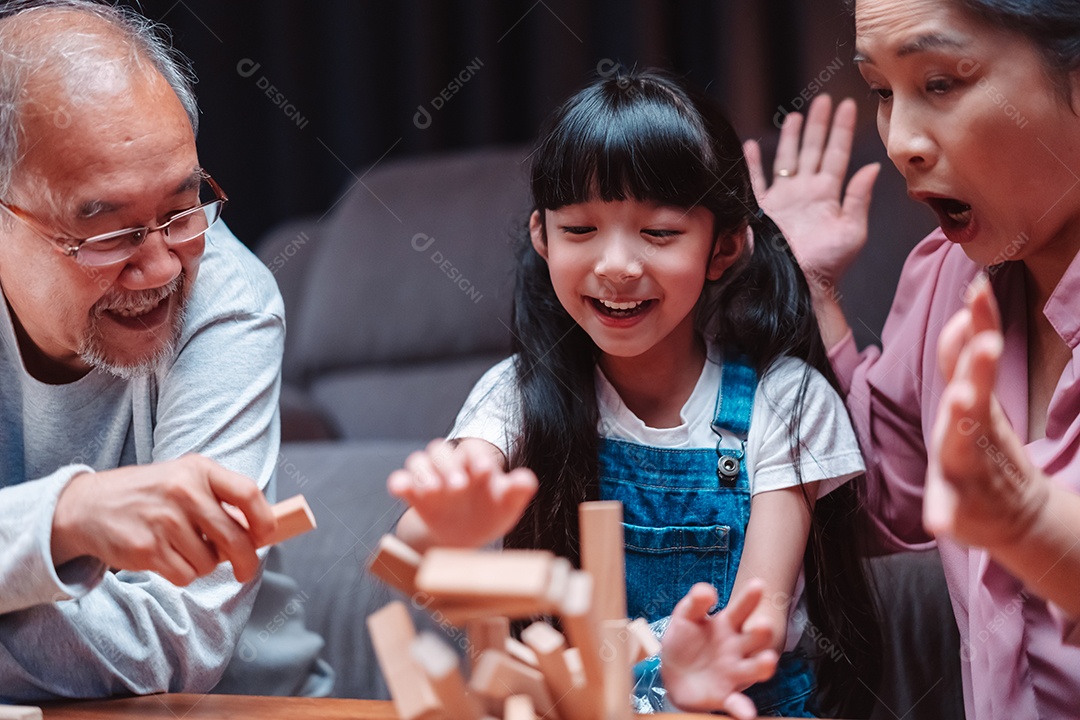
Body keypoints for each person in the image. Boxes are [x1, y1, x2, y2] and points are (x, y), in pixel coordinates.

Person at [388, 69, 881, 718]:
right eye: (580, 229)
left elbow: (751, 626)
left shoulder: (787, 403)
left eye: (659, 233)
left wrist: (688, 677)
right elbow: (410, 551)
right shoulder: (516, 394)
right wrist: (443, 522)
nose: (616, 265)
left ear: (724, 246)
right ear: (542, 236)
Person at [743, 0, 1080, 716]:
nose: (900, 142)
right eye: (881, 92)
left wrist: (1028, 523)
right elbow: (877, 500)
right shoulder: (946, 278)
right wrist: (810, 292)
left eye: (940, 83)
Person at [0, 0, 327, 701]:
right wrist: (68, 518)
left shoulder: (227, 301)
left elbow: (173, 643)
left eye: (182, 210)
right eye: (108, 232)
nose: (161, 269)